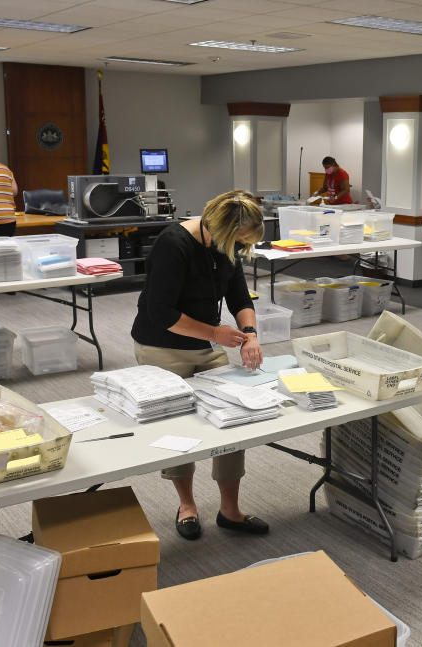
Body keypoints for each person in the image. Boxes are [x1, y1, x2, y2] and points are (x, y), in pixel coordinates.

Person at [131, 189, 268, 540]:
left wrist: (249, 333)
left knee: (232, 416)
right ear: (220, 230)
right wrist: (215, 332)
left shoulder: (226, 243)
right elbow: (160, 313)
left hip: (208, 342)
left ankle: (229, 510)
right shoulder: (172, 245)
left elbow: (239, 294)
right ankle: (187, 505)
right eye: (238, 241)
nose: (239, 248)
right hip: (162, 344)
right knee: (179, 426)